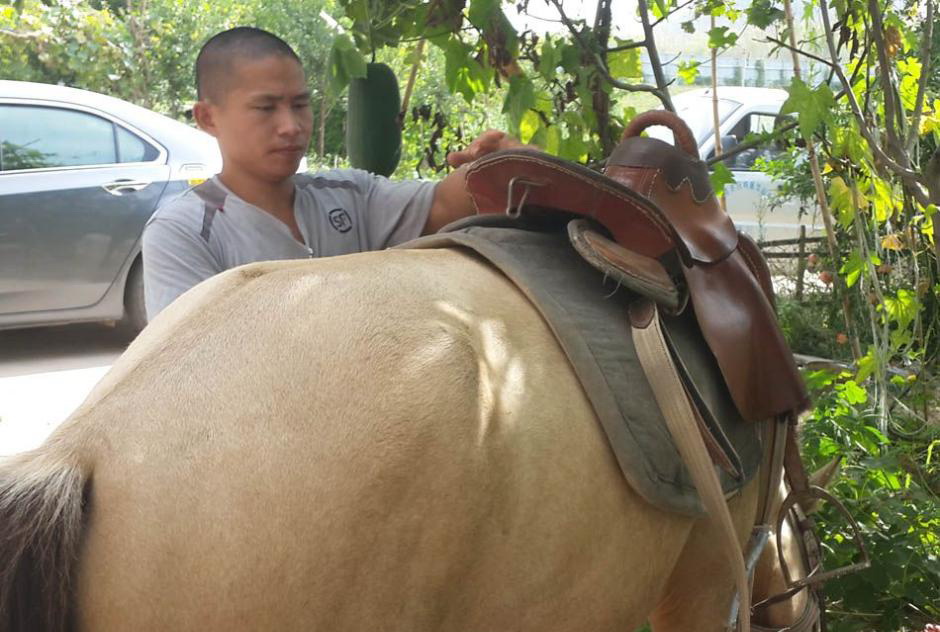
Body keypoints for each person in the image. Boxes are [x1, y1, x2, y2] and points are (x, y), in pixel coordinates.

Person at [142, 26, 523, 319]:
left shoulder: (351, 195)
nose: (291, 126)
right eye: (266, 108)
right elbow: (186, 365)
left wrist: (504, 166)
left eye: (300, 104)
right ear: (208, 117)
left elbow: (446, 200)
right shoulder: (183, 232)